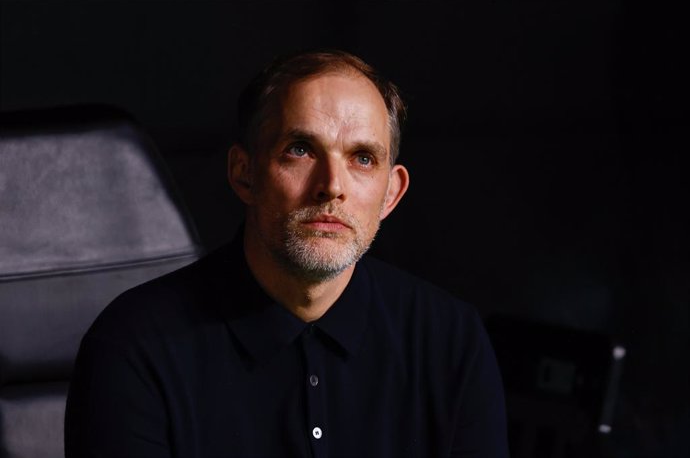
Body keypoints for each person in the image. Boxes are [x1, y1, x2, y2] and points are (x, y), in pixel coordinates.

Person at [65, 49, 509, 457]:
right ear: (245, 174)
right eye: (300, 149)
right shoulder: (133, 346)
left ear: (390, 194)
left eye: (362, 158)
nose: (331, 185)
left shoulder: (451, 340)